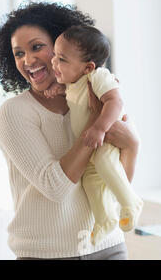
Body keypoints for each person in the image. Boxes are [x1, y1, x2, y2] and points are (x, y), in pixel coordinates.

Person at [0, 2, 140, 260]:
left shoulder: (99, 96)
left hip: (109, 246)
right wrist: (95, 124)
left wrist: (133, 145)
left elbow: (117, 180)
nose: (28, 60)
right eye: (18, 53)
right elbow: (55, 186)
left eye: (37, 47)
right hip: (46, 254)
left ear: (63, 46)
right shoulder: (14, 113)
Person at [47, 25, 143, 245]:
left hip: (107, 137)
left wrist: (100, 127)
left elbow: (115, 101)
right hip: (93, 144)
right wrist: (58, 90)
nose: (54, 63)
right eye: (54, 55)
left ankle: (131, 202)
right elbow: (75, 94)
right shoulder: (74, 82)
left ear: (88, 67)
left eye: (62, 59)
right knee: (91, 181)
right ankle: (105, 219)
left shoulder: (98, 76)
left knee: (105, 164)